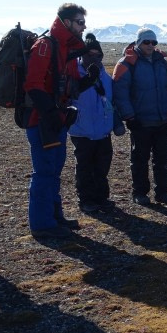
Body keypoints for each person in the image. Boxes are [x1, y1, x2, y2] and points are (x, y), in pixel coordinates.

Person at [24, 3, 96, 240]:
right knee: (44, 171)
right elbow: (33, 85)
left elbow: (71, 86)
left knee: (54, 170)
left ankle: (54, 217)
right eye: (80, 22)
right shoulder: (45, 46)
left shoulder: (67, 49)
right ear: (66, 22)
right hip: (41, 121)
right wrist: (51, 113)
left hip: (58, 120)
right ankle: (42, 224)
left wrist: (89, 80)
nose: (83, 27)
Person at [113, 28, 167, 206]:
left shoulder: (162, 62)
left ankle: (163, 191)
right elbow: (120, 93)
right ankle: (140, 192)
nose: (150, 45)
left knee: (163, 158)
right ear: (138, 42)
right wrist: (129, 117)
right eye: (146, 42)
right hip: (141, 122)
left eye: (154, 42)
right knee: (139, 159)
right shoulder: (127, 63)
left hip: (161, 119)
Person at [69, 33, 124, 213]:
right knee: (84, 167)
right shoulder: (74, 74)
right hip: (81, 130)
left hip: (102, 130)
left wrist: (115, 122)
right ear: (81, 55)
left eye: (98, 55)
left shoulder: (105, 77)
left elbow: (111, 102)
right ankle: (86, 199)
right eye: (89, 54)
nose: (94, 58)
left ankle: (102, 197)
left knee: (102, 167)